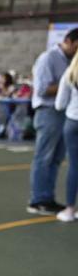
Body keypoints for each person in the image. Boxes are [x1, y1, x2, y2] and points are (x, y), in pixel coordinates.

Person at [28, 27, 78, 215]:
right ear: (69, 41)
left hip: (64, 113)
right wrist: (71, 83)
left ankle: (47, 197)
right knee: (44, 157)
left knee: (56, 159)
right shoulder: (48, 58)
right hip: (48, 112)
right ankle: (38, 200)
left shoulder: (70, 61)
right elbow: (41, 89)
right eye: (77, 47)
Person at [55, 52, 78, 223]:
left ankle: (70, 209)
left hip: (72, 122)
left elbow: (59, 104)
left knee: (74, 167)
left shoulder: (69, 74)